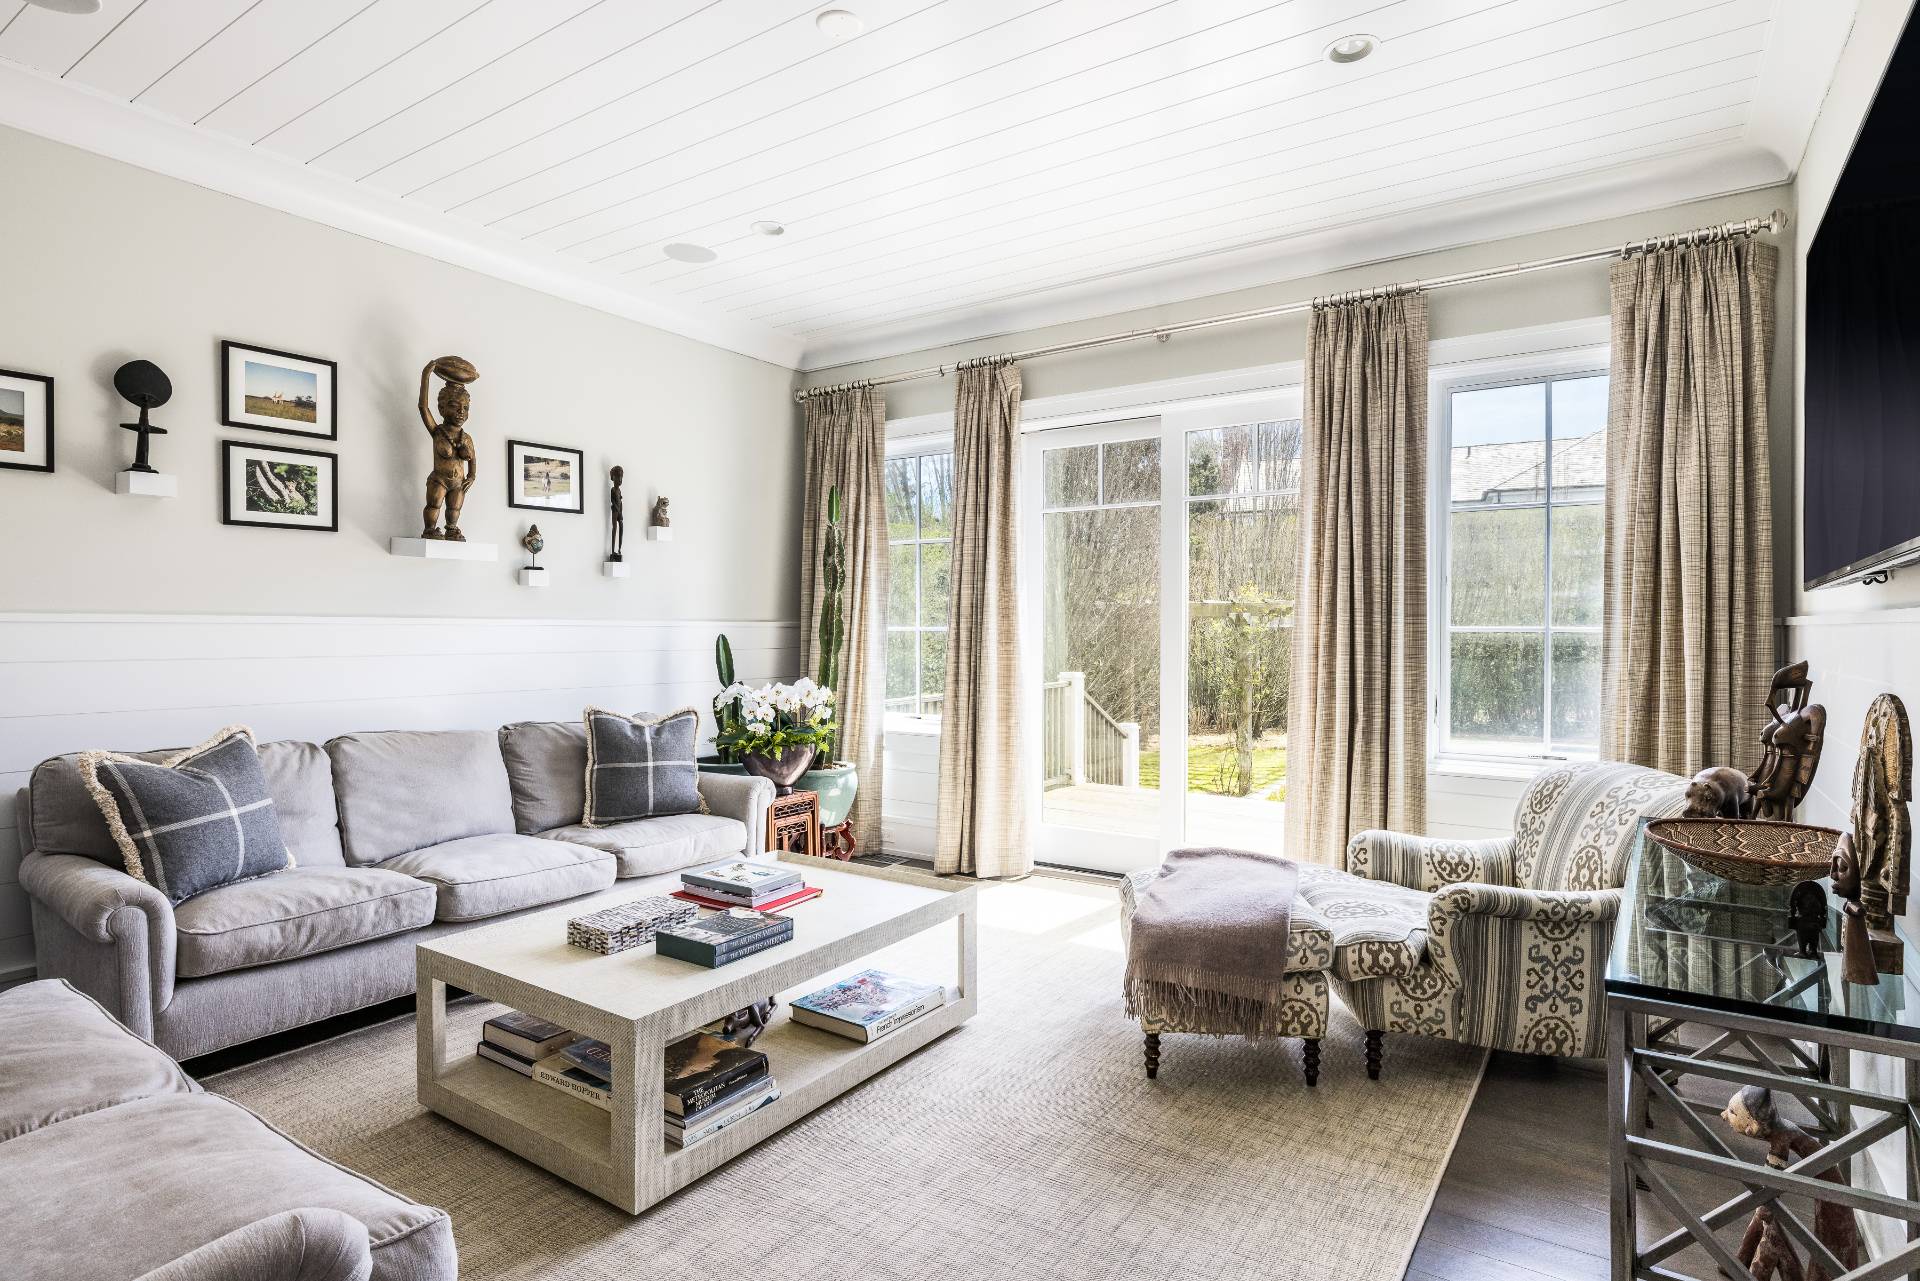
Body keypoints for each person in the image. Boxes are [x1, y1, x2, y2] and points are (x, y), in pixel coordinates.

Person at [419, 357, 477, 540]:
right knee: (434, 505)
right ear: (442, 408)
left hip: (458, 483)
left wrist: (472, 475)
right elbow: (423, 407)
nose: (461, 412)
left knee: (455, 509)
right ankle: (430, 529)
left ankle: (452, 529)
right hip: (439, 480)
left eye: (465, 408)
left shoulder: (466, 438)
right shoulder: (437, 431)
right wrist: (425, 376)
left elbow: (473, 458)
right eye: (454, 406)